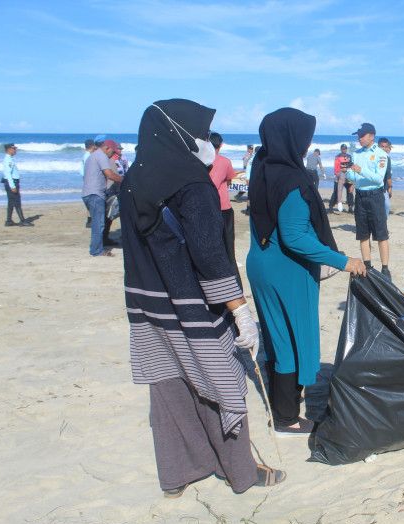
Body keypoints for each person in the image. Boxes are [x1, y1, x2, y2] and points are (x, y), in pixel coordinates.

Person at [120, 98, 284, 497]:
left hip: (146, 305)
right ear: (177, 133)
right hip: (194, 308)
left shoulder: (133, 179)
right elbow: (210, 255)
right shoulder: (192, 183)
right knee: (223, 386)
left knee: (168, 390)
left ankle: (176, 479)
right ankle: (242, 473)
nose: (204, 141)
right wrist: (240, 309)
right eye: (198, 133)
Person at [247, 108, 366, 436]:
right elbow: (296, 237)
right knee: (293, 341)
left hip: (261, 261)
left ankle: (281, 408)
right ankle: (286, 418)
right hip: (286, 268)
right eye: (304, 138)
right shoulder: (292, 179)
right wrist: (344, 261)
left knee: (276, 338)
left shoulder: (263, 166)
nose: (307, 144)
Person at [346, 123, 391, 279]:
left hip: (376, 196)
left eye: (362, 135)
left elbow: (378, 178)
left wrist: (361, 170)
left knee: (381, 234)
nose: (360, 138)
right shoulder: (356, 153)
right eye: (358, 136)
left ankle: (385, 268)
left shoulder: (380, 154)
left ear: (372, 136)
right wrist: (348, 172)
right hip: (360, 196)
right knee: (363, 234)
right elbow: (354, 178)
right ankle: (368, 266)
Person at [82, 140, 123, 256]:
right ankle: (96, 250)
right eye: (112, 151)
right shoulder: (102, 156)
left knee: (99, 222)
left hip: (89, 193)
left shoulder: (93, 156)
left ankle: (99, 245)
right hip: (95, 194)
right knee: (98, 223)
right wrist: (126, 181)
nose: (112, 154)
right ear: (107, 148)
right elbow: (109, 174)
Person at [208, 132, 240, 273]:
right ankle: (230, 267)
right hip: (223, 205)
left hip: (207, 205)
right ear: (220, 145)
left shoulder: (199, 161)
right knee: (227, 240)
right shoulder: (225, 161)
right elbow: (229, 179)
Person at [1, 143, 32, 227]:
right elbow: (8, 174)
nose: (15, 150)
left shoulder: (10, 158)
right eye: (14, 149)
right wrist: (12, 186)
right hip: (12, 182)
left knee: (11, 203)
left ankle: (9, 221)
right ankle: (22, 220)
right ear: (9, 150)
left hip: (11, 182)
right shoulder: (8, 160)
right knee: (17, 202)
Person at [377, 137, 404, 217]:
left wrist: (389, 186)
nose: (386, 149)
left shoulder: (388, 159)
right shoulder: (377, 157)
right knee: (383, 204)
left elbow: (390, 172)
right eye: (382, 146)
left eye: (387, 147)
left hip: (385, 184)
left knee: (386, 204)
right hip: (378, 185)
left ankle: (383, 221)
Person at [330, 144, 353, 213]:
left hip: (348, 176)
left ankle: (350, 207)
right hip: (340, 176)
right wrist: (336, 174)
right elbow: (336, 167)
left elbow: (351, 166)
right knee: (336, 192)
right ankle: (331, 206)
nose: (344, 150)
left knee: (350, 191)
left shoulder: (349, 157)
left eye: (345, 149)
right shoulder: (338, 157)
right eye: (343, 149)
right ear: (341, 149)